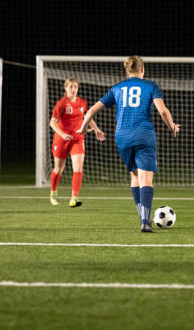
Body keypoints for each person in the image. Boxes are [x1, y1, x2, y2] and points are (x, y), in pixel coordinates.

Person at [77, 55, 180, 233]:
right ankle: (145, 222)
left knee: (134, 176)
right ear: (142, 69)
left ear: (127, 70)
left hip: (122, 136)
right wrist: (172, 127)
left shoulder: (117, 88)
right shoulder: (150, 86)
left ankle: (143, 218)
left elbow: (92, 110)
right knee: (146, 178)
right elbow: (163, 111)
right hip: (144, 135)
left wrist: (83, 128)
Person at [49, 77, 105, 207]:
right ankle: (53, 192)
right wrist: (63, 134)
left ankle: (74, 198)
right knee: (58, 169)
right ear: (66, 88)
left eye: (75, 87)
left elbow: (87, 117)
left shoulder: (82, 102)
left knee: (78, 168)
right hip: (62, 139)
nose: (73, 89)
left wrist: (96, 129)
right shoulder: (61, 104)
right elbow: (52, 122)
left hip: (78, 139)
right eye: (71, 87)